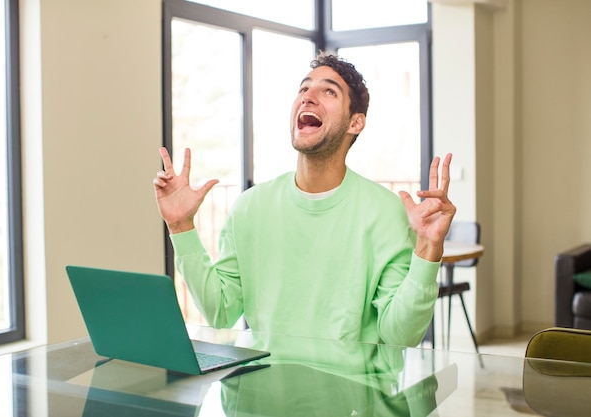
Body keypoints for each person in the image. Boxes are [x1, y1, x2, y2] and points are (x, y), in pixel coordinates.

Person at [153, 51, 456, 347]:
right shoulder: (251, 207)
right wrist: (181, 227)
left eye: (329, 92)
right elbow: (220, 312)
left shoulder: (385, 212)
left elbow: (401, 336)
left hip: (353, 394)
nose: (308, 97)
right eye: (304, 88)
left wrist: (428, 247)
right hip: (262, 391)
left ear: (355, 123)